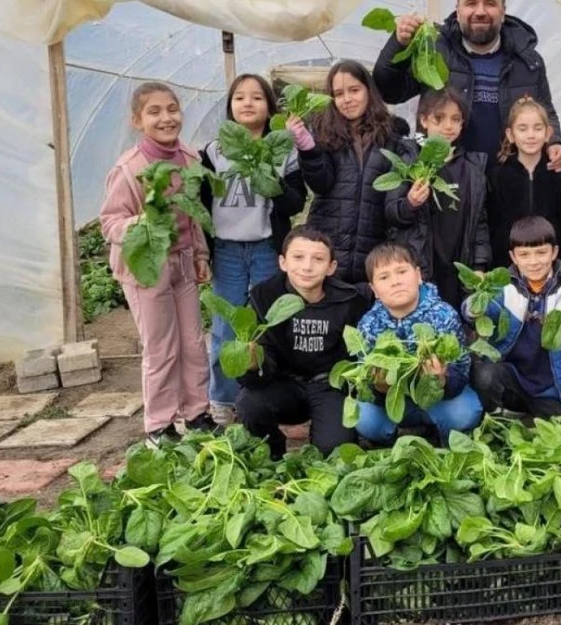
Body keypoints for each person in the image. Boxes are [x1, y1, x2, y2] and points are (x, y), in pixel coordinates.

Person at [99, 82, 215, 447]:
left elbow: (194, 215)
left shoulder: (190, 159)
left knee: (194, 343)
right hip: (146, 266)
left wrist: (200, 254)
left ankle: (196, 414)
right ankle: (159, 424)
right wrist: (141, 223)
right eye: (154, 112)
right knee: (161, 347)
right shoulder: (131, 168)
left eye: (172, 109)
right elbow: (110, 223)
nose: (166, 118)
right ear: (138, 120)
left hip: (182, 263)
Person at [200, 73, 308, 422]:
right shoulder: (215, 152)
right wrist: (204, 250)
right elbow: (202, 204)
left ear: (270, 106)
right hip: (228, 250)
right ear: (230, 107)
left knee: (271, 323)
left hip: (266, 246)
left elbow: (295, 202)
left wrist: (271, 179)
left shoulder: (282, 149)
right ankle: (223, 400)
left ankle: (266, 394)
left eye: (257, 97)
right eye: (240, 98)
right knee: (226, 325)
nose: (248, 103)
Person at [373, 0, 561, 170]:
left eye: (490, 3)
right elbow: (390, 91)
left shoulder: (527, 60)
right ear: (458, 10)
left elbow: (545, 109)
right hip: (447, 175)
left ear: (503, 11)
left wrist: (554, 141)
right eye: (471, 3)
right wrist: (398, 43)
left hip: (507, 179)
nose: (480, 11)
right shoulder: (433, 51)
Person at [235, 227, 370, 458]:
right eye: (298, 257)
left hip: (329, 386)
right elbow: (251, 376)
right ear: (283, 262)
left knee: (333, 450)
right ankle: (272, 449)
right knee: (249, 404)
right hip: (283, 384)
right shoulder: (263, 297)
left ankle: (323, 434)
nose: (307, 267)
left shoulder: (350, 301)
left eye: (318, 259)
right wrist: (253, 365)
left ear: (331, 267)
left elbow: (359, 357)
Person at [467, 216, 561, 418]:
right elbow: (477, 308)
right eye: (524, 255)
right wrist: (472, 308)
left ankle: (531, 413)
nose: (533, 262)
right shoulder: (503, 287)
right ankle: (497, 415)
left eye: (541, 253)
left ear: (554, 252)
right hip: (513, 378)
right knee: (484, 375)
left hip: (551, 387)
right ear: (513, 257)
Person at [289, 60, 417, 284]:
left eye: (354, 90)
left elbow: (393, 195)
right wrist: (308, 151)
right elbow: (321, 184)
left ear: (369, 90)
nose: (347, 100)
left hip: (373, 247)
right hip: (329, 244)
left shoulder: (392, 134)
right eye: (338, 94)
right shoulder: (323, 131)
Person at [354, 242, 483, 445]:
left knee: (465, 413)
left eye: (401, 272)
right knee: (365, 419)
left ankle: (439, 433)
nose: (395, 282)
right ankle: (391, 441)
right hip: (395, 402)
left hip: (437, 401)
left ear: (419, 276)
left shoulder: (444, 314)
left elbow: (462, 370)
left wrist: (443, 379)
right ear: (374, 289)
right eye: (384, 277)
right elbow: (364, 382)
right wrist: (379, 388)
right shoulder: (369, 324)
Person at [386, 88, 490, 309]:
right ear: (424, 120)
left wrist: (479, 266)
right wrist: (410, 203)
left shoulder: (472, 168)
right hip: (420, 266)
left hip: (456, 268)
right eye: (439, 118)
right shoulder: (409, 161)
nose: (448, 126)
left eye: (456, 119)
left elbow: (479, 223)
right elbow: (391, 213)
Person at [487, 97, 561, 269]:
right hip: (509, 266)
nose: (530, 135)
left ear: (548, 133)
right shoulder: (497, 177)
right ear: (510, 135)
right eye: (523, 129)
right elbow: (493, 225)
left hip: (552, 265)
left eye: (537, 128)